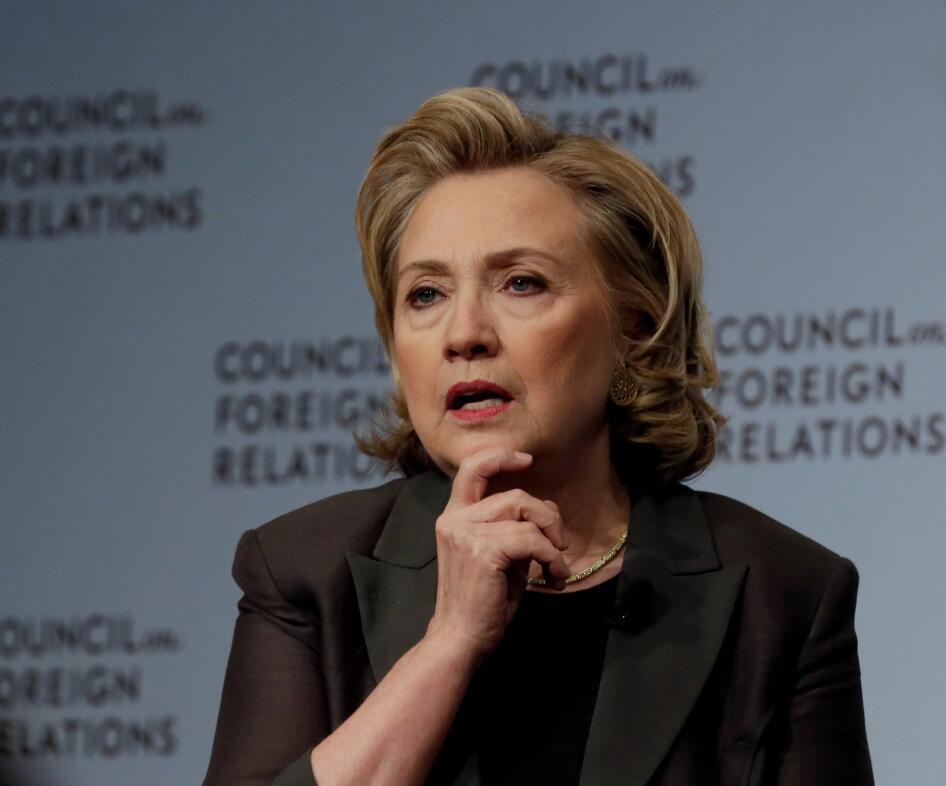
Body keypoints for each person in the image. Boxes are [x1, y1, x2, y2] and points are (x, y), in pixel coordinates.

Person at [202, 87, 873, 786]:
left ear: (633, 332)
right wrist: (451, 642)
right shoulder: (304, 572)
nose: (464, 334)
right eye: (425, 294)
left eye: (520, 283)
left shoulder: (784, 592)